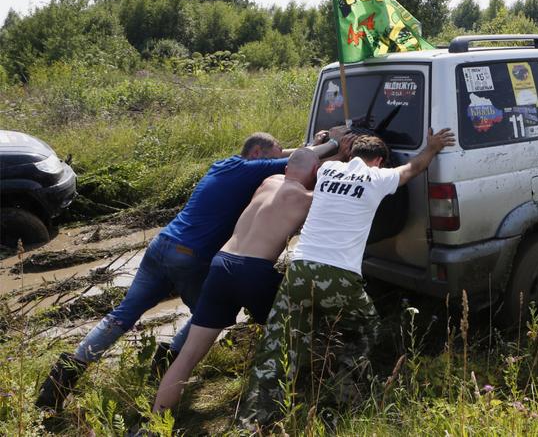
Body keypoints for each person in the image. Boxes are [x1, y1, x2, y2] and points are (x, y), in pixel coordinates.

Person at [36, 131, 342, 413]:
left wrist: (309, 143)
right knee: (204, 320)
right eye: (270, 157)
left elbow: (290, 155)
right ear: (258, 153)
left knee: (121, 315)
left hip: (162, 244)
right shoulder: (254, 171)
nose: (274, 164)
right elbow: (293, 161)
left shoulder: (225, 165)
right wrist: (334, 143)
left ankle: (56, 388)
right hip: (190, 256)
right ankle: (165, 369)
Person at [238, 128, 456, 428]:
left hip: (300, 269)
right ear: (379, 160)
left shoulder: (327, 169)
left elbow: (329, 157)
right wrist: (432, 147)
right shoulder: (379, 178)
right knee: (367, 329)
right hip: (338, 274)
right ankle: (341, 394)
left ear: (351, 154)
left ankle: (253, 420)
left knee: (279, 342)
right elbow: (414, 167)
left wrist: (336, 142)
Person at [151, 147, 328, 413]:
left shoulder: (268, 182)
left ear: (286, 167)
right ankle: (294, 396)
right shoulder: (307, 198)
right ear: (315, 172)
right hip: (253, 271)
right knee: (297, 326)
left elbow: (299, 164)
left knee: (188, 356)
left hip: (221, 264)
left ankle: (155, 423)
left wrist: (320, 147)